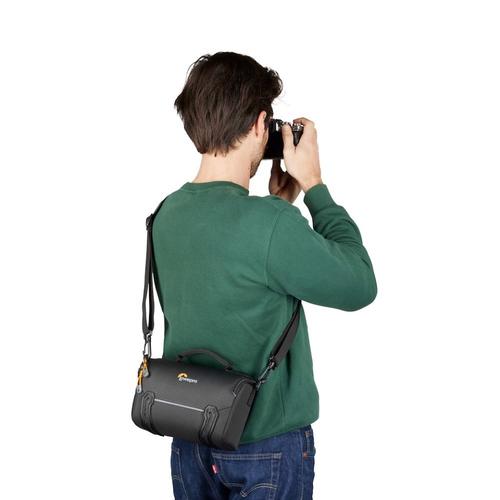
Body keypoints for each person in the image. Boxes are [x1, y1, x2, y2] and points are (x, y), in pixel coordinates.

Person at [151, 51, 378, 499]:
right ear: (260, 124)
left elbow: (228, 275)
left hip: (190, 433)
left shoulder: (165, 214)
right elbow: (359, 284)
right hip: (267, 445)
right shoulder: (270, 223)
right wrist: (314, 187)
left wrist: (279, 206)